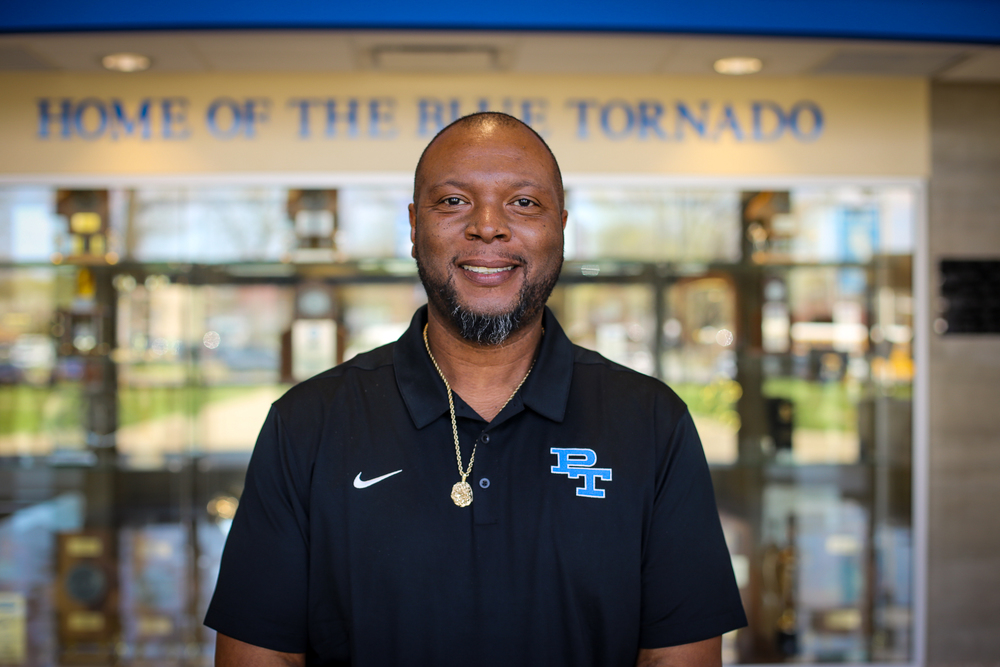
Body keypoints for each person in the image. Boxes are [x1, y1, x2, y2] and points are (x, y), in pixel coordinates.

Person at [205, 112, 747, 667]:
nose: (488, 226)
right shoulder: (306, 423)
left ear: (561, 225)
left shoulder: (653, 423)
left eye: (524, 203)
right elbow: (261, 655)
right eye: (454, 201)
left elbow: (678, 657)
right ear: (415, 226)